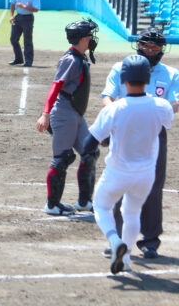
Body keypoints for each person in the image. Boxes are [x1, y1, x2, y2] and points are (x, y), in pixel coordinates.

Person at [87, 55, 174, 274]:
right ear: (147, 79)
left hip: (118, 171)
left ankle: (115, 241)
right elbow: (165, 120)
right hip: (145, 174)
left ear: (124, 79)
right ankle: (125, 260)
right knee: (132, 213)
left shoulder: (114, 109)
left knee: (101, 206)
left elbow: (90, 143)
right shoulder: (161, 106)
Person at [101, 27, 179, 258]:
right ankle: (116, 239)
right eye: (147, 46)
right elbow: (107, 96)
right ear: (138, 45)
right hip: (124, 131)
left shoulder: (171, 74)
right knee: (118, 182)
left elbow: (176, 103)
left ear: (163, 49)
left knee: (153, 186)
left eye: (156, 48)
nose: (151, 51)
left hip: (154, 133)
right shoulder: (121, 67)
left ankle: (150, 241)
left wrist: (153, 110)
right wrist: (116, 115)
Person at [36, 19, 99, 216]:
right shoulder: (70, 60)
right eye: (89, 35)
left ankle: (84, 202)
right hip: (64, 113)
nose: (92, 38)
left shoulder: (80, 57)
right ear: (82, 38)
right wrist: (45, 114)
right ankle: (52, 205)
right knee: (62, 157)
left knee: (90, 153)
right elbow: (56, 86)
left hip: (76, 114)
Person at [8, 0, 40, 67]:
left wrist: (23, 6)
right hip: (18, 17)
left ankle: (28, 61)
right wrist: (11, 15)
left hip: (28, 18)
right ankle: (18, 59)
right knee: (13, 39)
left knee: (27, 40)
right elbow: (12, 3)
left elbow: (36, 9)